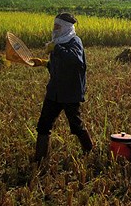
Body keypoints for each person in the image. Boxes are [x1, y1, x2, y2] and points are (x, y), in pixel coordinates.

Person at [30, 12, 93, 163]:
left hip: (70, 92)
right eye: (54, 26)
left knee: (76, 125)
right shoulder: (58, 41)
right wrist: (44, 63)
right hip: (54, 91)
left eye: (58, 26)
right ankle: (39, 160)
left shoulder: (74, 41)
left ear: (66, 27)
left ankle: (90, 150)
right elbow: (59, 67)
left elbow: (76, 62)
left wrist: (56, 49)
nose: (55, 28)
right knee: (43, 125)